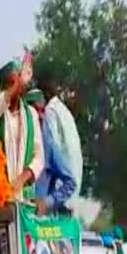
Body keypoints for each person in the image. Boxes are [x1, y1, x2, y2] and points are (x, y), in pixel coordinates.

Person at [0, 60, 44, 199]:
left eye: (18, 83)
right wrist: (18, 81)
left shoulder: (31, 115)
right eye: (11, 83)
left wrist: (22, 179)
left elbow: (39, 157)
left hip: (25, 197)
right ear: (2, 88)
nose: (16, 88)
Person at [34, 66, 84, 202]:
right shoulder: (64, 111)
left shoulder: (50, 112)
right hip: (74, 190)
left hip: (61, 192)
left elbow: (49, 153)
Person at [25, 88, 76, 216]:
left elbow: (70, 183)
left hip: (39, 224)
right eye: (36, 111)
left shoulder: (49, 145)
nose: (41, 116)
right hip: (16, 216)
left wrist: (47, 202)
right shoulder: (17, 144)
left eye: (43, 111)